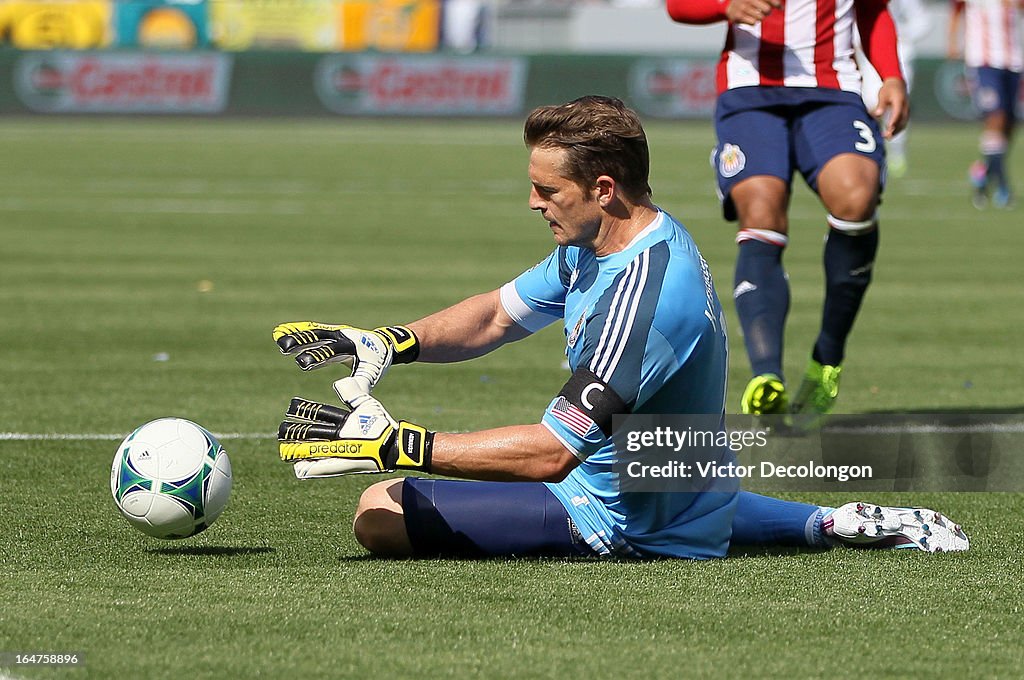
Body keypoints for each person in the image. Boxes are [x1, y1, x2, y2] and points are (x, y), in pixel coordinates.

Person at [272, 96, 967, 558]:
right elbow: (493, 316)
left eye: (548, 191)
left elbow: (551, 455)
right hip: (681, 475)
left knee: (377, 510)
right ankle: (824, 521)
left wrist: (399, 445)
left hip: (618, 518)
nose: (532, 202)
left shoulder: (646, 296)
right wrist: (391, 342)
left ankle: (789, 525)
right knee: (683, 485)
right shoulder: (600, 244)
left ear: (604, 188)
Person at [666, 0, 908, 421]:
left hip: (834, 91)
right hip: (749, 91)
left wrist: (890, 74)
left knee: (856, 198)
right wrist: (726, 6)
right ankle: (766, 375)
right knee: (760, 212)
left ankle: (826, 361)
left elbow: (872, 10)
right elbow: (678, 6)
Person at [948, 0, 1023, 209]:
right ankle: (1003, 186)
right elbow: (956, 9)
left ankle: (983, 171)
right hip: (984, 62)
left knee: (1009, 125)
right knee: (995, 117)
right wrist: (952, 42)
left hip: (1013, 61)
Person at [857, 0, 932, 177]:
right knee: (870, 104)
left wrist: (902, 35)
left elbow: (923, 20)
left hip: (899, 54)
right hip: (866, 49)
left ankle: (896, 154)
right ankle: (870, 148)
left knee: (894, 105)